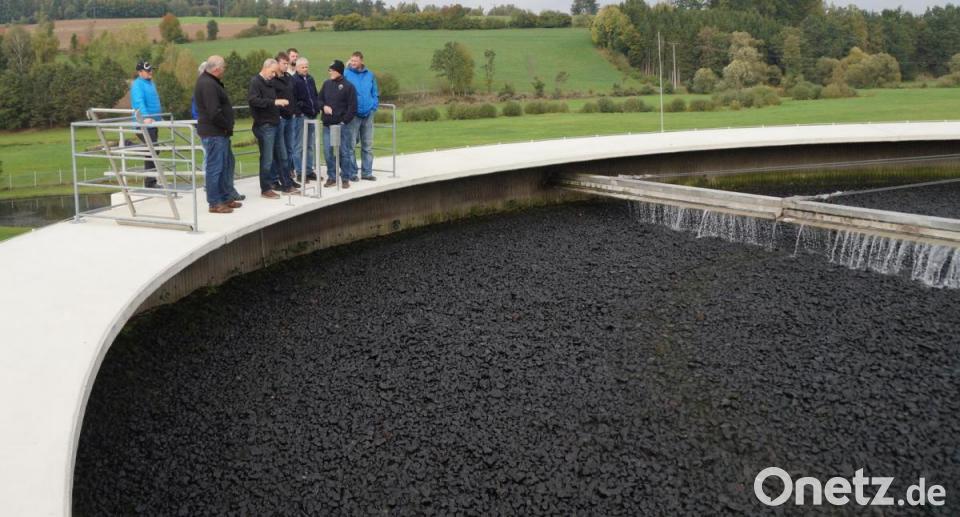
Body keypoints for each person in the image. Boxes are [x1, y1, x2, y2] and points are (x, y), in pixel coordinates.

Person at [194, 55, 240, 214]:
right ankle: (214, 203)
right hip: (214, 133)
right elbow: (214, 112)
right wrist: (226, 126)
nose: (224, 70)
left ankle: (225, 198)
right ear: (217, 69)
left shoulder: (210, 82)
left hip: (219, 133)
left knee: (224, 166)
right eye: (224, 67)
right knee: (215, 168)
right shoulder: (208, 84)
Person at [249, 58, 295, 199]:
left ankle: (287, 185)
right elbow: (253, 100)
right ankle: (266, 189)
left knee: (283, 156)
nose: (274, 75)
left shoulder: (271, 82)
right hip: (265, 126)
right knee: (267, 159)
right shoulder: (255, 82)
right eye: (273, 72)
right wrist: (274, 102)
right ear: (266, 67)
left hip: (276, 123)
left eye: (275, 72)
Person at [319, 60, 357, 188]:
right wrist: (323, 106)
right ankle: (332, 177)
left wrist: (343, 121)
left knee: (344, 152)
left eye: (332, 70)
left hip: (341, 126)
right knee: (327, 152)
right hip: (327, 126)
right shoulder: (326, 84)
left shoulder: (349, 86)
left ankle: (345, 178)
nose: (329, 72)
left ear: (338, 71)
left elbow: (352, 107)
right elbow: (319, 100)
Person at [344, 51, 379, 182]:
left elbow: (375, 92)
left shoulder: (370, 75)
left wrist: (374, 106)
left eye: (355, 61)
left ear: (361, 61)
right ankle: (352, 173)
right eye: (351, 60)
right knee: (351, 145)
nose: (353, 63)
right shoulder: (346, 74)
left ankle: (367, 173)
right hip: (353, 114)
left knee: (368, 145)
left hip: (368, 114)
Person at [129, 60, 162, 188]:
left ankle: (151, 181)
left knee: (152, 150)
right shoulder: (138, 85)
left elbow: (154, 101)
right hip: (143, 123)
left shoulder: (150, 83)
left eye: (151, 70)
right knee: (153, 149)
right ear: (140, 72)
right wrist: (146, 117)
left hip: (153, 123)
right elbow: (139, 102)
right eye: (148, 71)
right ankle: (150, 182)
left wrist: (159, 118)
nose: (150, 72)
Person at [271, 51, 301, 189]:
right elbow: (272, 99)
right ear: (277, 63)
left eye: (287, 63)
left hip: (290, 118)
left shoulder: (289, 77)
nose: (286, 66)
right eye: (284, 63)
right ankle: (275, 179)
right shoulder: (272, 80)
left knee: (289, 150)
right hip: (280, 119)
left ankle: (288, 177)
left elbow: (293, 95)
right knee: (279, 151)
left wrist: (294, 112)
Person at [292, 57, 319, 181]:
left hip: (312, 115)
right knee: (299, 145)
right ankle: (299, 172)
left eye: (306, 66)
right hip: (301, 117)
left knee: (309, 145)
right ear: (297, 68)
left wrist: (317, 108)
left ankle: (309, 171)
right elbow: (293, 99)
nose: (305, 69)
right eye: (302, 67)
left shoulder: (310, 79)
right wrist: (300, 111)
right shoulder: (294, 80)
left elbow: (315, 95)